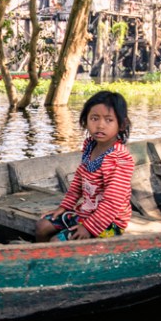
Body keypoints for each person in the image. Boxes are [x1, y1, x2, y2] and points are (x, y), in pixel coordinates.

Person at [35, 90, 134, 243]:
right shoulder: (90, 147)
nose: (100, 125)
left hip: (109, 222)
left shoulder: (119, 159)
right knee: (42, 226)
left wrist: (88, 228)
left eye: (109, 120)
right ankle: (40, 261)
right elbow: (78, 182)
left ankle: (56, 265)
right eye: (94, 118)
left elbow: (113, 203)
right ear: (85, 121)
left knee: (56, 242)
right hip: (85, 213)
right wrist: (65, 207)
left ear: (121, 125)